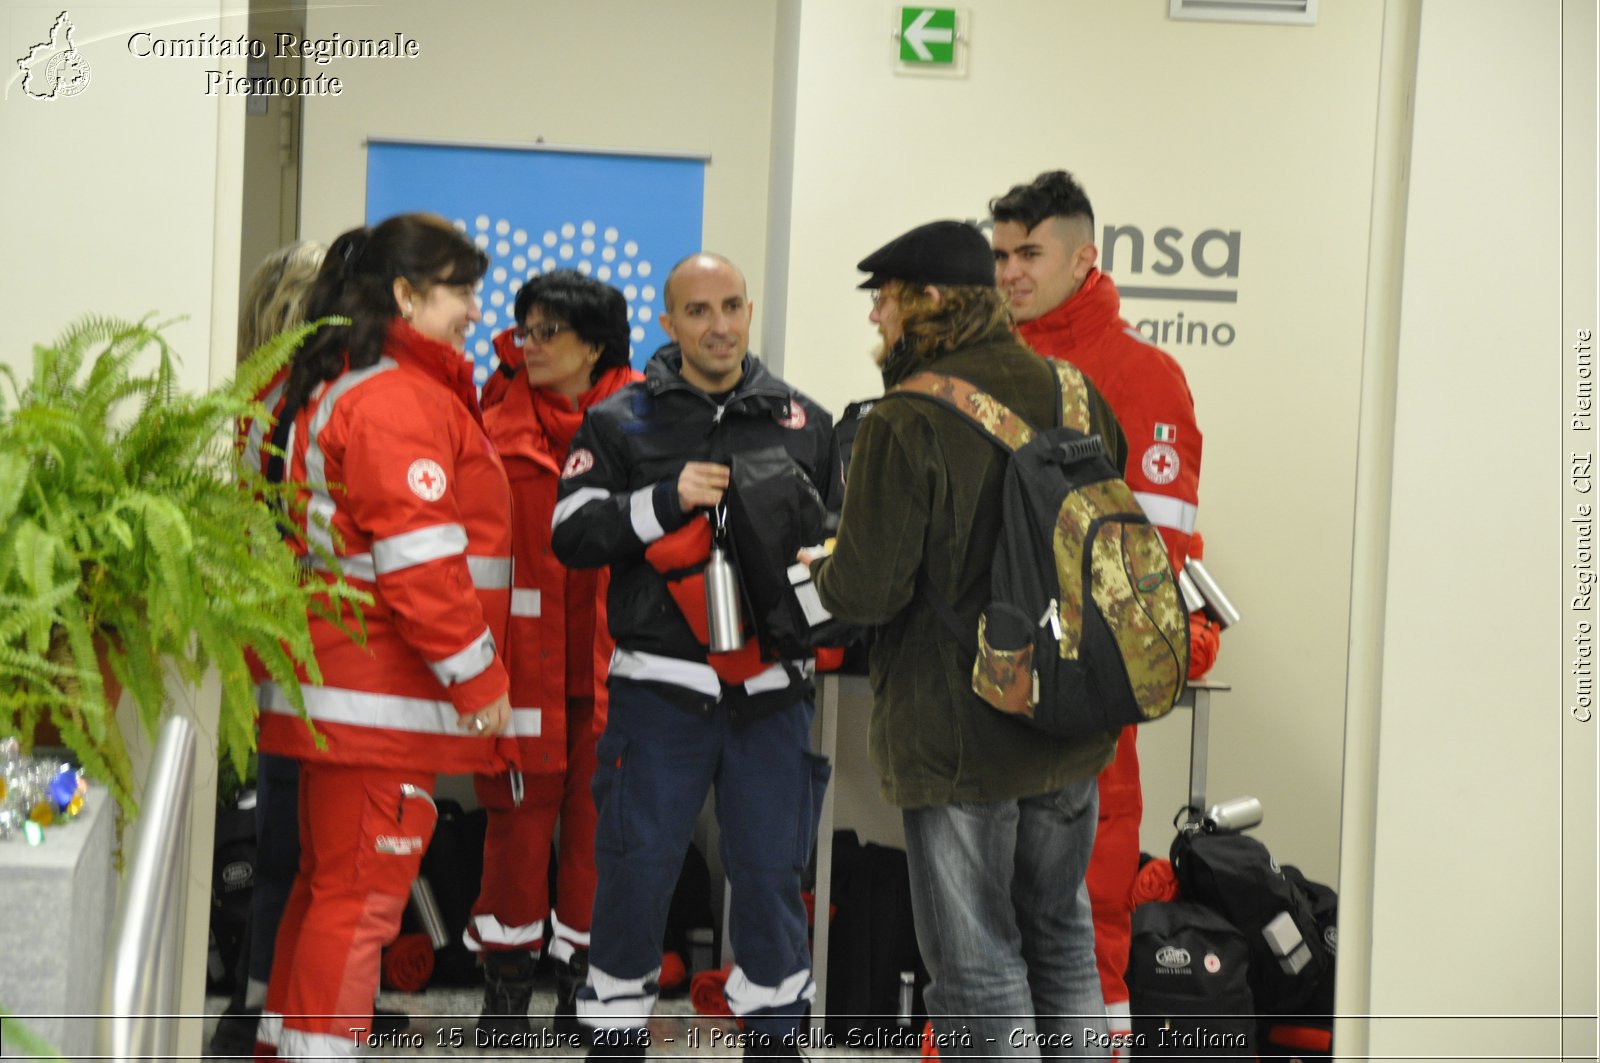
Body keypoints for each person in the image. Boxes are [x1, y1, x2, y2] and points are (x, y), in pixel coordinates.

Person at [806, 220, 1125, 1059]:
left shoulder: (905, 417)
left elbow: (869, 590)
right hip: (1070, 720)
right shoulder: (1077, 392)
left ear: (933, 301)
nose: (878, 315)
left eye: (887, 297)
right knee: (1060, 937)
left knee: (975, 962)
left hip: (960, 737)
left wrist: (828, 565)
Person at [551, 252, 837, 1060]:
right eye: (699, 310)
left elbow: (842, 551)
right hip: (659, 695)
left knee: (772, 874)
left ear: (750, 312)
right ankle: (612, 1035)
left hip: (773, 696)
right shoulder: (620, 421)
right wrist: (663, 500)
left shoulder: (805, 422)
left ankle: (777, 1039)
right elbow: (569, 533)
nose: (719, 325)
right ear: (669, 324)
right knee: (635, 871)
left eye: (733, 306)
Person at [252, 213, 517, 1061]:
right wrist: (480, 682)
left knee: (326, 888)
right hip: (381, 697)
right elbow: (423, 569)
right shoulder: (396, 400)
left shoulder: (324, 384)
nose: (476, 309)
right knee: (361, 901)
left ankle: (282, 1046)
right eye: (461, 291)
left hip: (334, 688)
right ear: (406, 294)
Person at [990, 170, 1210, 1052]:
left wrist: (1120, 664)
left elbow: (1159, 555)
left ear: (1085, 256)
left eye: (1029, 253)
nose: (1010, 272)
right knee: (982, 914)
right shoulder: (983, 369)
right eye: (1001, 254)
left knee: (1090, 902)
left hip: (1089, 688)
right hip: (988, 677)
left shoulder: (1143, 376)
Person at [470, 270, 641, 1042]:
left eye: (549, 332)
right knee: (515, 821)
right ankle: (505, 986)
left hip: (617, 659)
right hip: (520, 661)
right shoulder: (488, 418)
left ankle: (584, 981)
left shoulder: (647, 419)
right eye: (526, 330)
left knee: (599, 826)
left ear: (594, 345)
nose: (529, 345)